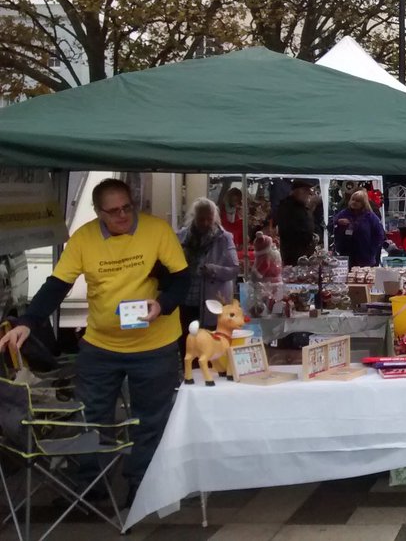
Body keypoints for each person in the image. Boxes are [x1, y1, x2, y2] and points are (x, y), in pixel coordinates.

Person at [0, 178, 189, 507]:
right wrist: (28, 322)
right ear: (99, 212)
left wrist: (162, 304)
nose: (122, 216)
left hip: (155, 345)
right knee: (91, 416)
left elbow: (182, 278)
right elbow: (57, 285)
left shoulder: (157, 230)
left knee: (150, 420)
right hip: (102, 347)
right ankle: (91, 488)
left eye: (127, 208)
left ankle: (141, 487)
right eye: (113, 211)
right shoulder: (85, 239)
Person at [177, 198, 239, 362]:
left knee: (210, 345)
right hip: (187, 299)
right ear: (193, 217)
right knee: (187, 342)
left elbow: (234, 269)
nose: (205, 223)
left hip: (212, 301)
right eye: (200, 219)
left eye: (209, 219)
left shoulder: (224, 238)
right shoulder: (181, 236)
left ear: (215, 217)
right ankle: (188, 375)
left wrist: (213, 270)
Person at [331, 189, 386, 267]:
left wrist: (372, 250)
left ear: (363, 203)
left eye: (358, 201)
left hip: (365, 256)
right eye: (353, 199)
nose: (354, 202)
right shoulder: (344, 213)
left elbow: (380, 235)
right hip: (346, 254)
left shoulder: (370, 216)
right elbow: (331, 224)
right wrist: (338, 222)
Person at [275, 180, 316, 264]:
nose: (308, 194)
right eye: (305, 190)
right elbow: (288, 230)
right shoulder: (286, 207)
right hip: (293, 253)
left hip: (305, 252)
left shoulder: (302, 207)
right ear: (297, 191)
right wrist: (308, 236)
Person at [219, 187, 245, 252]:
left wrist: (241, 242)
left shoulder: (237, 211)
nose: (236, 203)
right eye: (234, 200)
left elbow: (240, 229)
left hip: (234, 242)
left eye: (237, 200)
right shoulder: (221, 209)